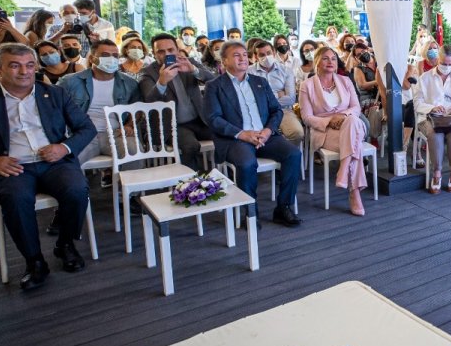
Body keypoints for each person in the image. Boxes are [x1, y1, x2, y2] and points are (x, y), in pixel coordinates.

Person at [0, 42, 95, 290]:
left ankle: (65, 244)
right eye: (15, 66)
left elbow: (86, 128)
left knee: (77, 190)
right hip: (11, 166)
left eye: (30, 65)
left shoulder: (54, 94)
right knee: (16, 198)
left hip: (53, 162)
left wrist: (64, 148)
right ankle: (34, 261)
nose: (24, 72)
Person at [205, 41, 302, 227]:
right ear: (224, 61)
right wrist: (242, 134)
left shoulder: (259, 82)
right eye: (236, 55)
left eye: (244, 54)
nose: (242, 58)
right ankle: (250, 213)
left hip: (265, 135)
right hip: (236, 139)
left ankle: (284, 207)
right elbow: (213, 119)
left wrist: (268, 130)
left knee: (293, 154)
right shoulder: (215, 86)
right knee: (247, 163)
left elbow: (276, 110)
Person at [299, 47, 368, 216]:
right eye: (325, 58)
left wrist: (342, 116)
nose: (330, 61)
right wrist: (329, 121)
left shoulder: (345, 81)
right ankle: (354, 193)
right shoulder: (307, 85)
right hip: (325, 131)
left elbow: (356, 108)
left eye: (333, 58)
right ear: (317, 62)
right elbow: (307, 117)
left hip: (348, 124)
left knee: (353, 120)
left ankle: (344, 169)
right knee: (355, 145)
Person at [59, 40, 143, 176]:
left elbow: (137, 109)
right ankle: (80, 189)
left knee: (134, 151)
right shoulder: (70, 82)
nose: (111, 59)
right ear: (92, 58)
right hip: (82, 134)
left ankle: (129, 189)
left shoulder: (129, 83)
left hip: (115, 133)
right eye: (105, 55)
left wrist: (129, 125)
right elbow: (55, 107)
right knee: (67, 161)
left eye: (115, 55)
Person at [140, 32, 218, 172]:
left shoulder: (188, 62)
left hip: (199, 120)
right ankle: (191, 181)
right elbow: (149, 101)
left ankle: (221, 174)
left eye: (171, 50)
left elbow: (214, 80)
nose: (167, 54)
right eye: (161, 51)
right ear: (154, 54)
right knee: (190, 146)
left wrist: (194, 70)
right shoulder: (148, 72)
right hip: (173, 125)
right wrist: (161, 82)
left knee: (225, 134)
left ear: (177, 49)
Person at [413, 43, 451, 194]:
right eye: (443, 63)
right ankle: (437, 172)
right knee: (435, 134)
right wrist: (432, 108)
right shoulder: (425, 78)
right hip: (430, 118)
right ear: (437, 60)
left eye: (450, 64)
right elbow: (417, 103)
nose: (447, 67)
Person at [249, 40, 303, 143]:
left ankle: (288, 152)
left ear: (274, 53)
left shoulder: (286, 71)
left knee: (297, 133)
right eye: (262, 55)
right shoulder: (249, 72)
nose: (266, 57)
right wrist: (278, 94)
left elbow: (291, 99)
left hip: (283, 110)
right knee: (253, 136)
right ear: (256, 56)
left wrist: (263, 98)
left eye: (268, 53)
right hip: (257, 112)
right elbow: (249, 98)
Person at [351, 41, 384, 147]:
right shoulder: (358, 69)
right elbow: (363, 85)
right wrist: (379, 81)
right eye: (358, 54)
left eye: (363, 51)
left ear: (368, 49)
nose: (362, 54)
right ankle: (374, 136)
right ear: (356, 58)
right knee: (375, 107)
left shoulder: (380, 61)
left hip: (383, 94)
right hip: (368, 97)